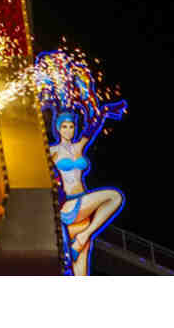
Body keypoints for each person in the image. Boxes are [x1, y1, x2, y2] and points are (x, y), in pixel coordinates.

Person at [49, 109, 125, 276]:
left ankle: (83, 237)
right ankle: (84, 236)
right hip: (70, 204)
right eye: (64, 127)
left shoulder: (79, 147)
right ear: (58, 129)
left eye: (71, 126)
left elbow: (91, 129)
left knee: (81, 268)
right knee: (114, 197)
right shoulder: (52, 151)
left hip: (85, 205)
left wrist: (104, 112)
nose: (68, 130)